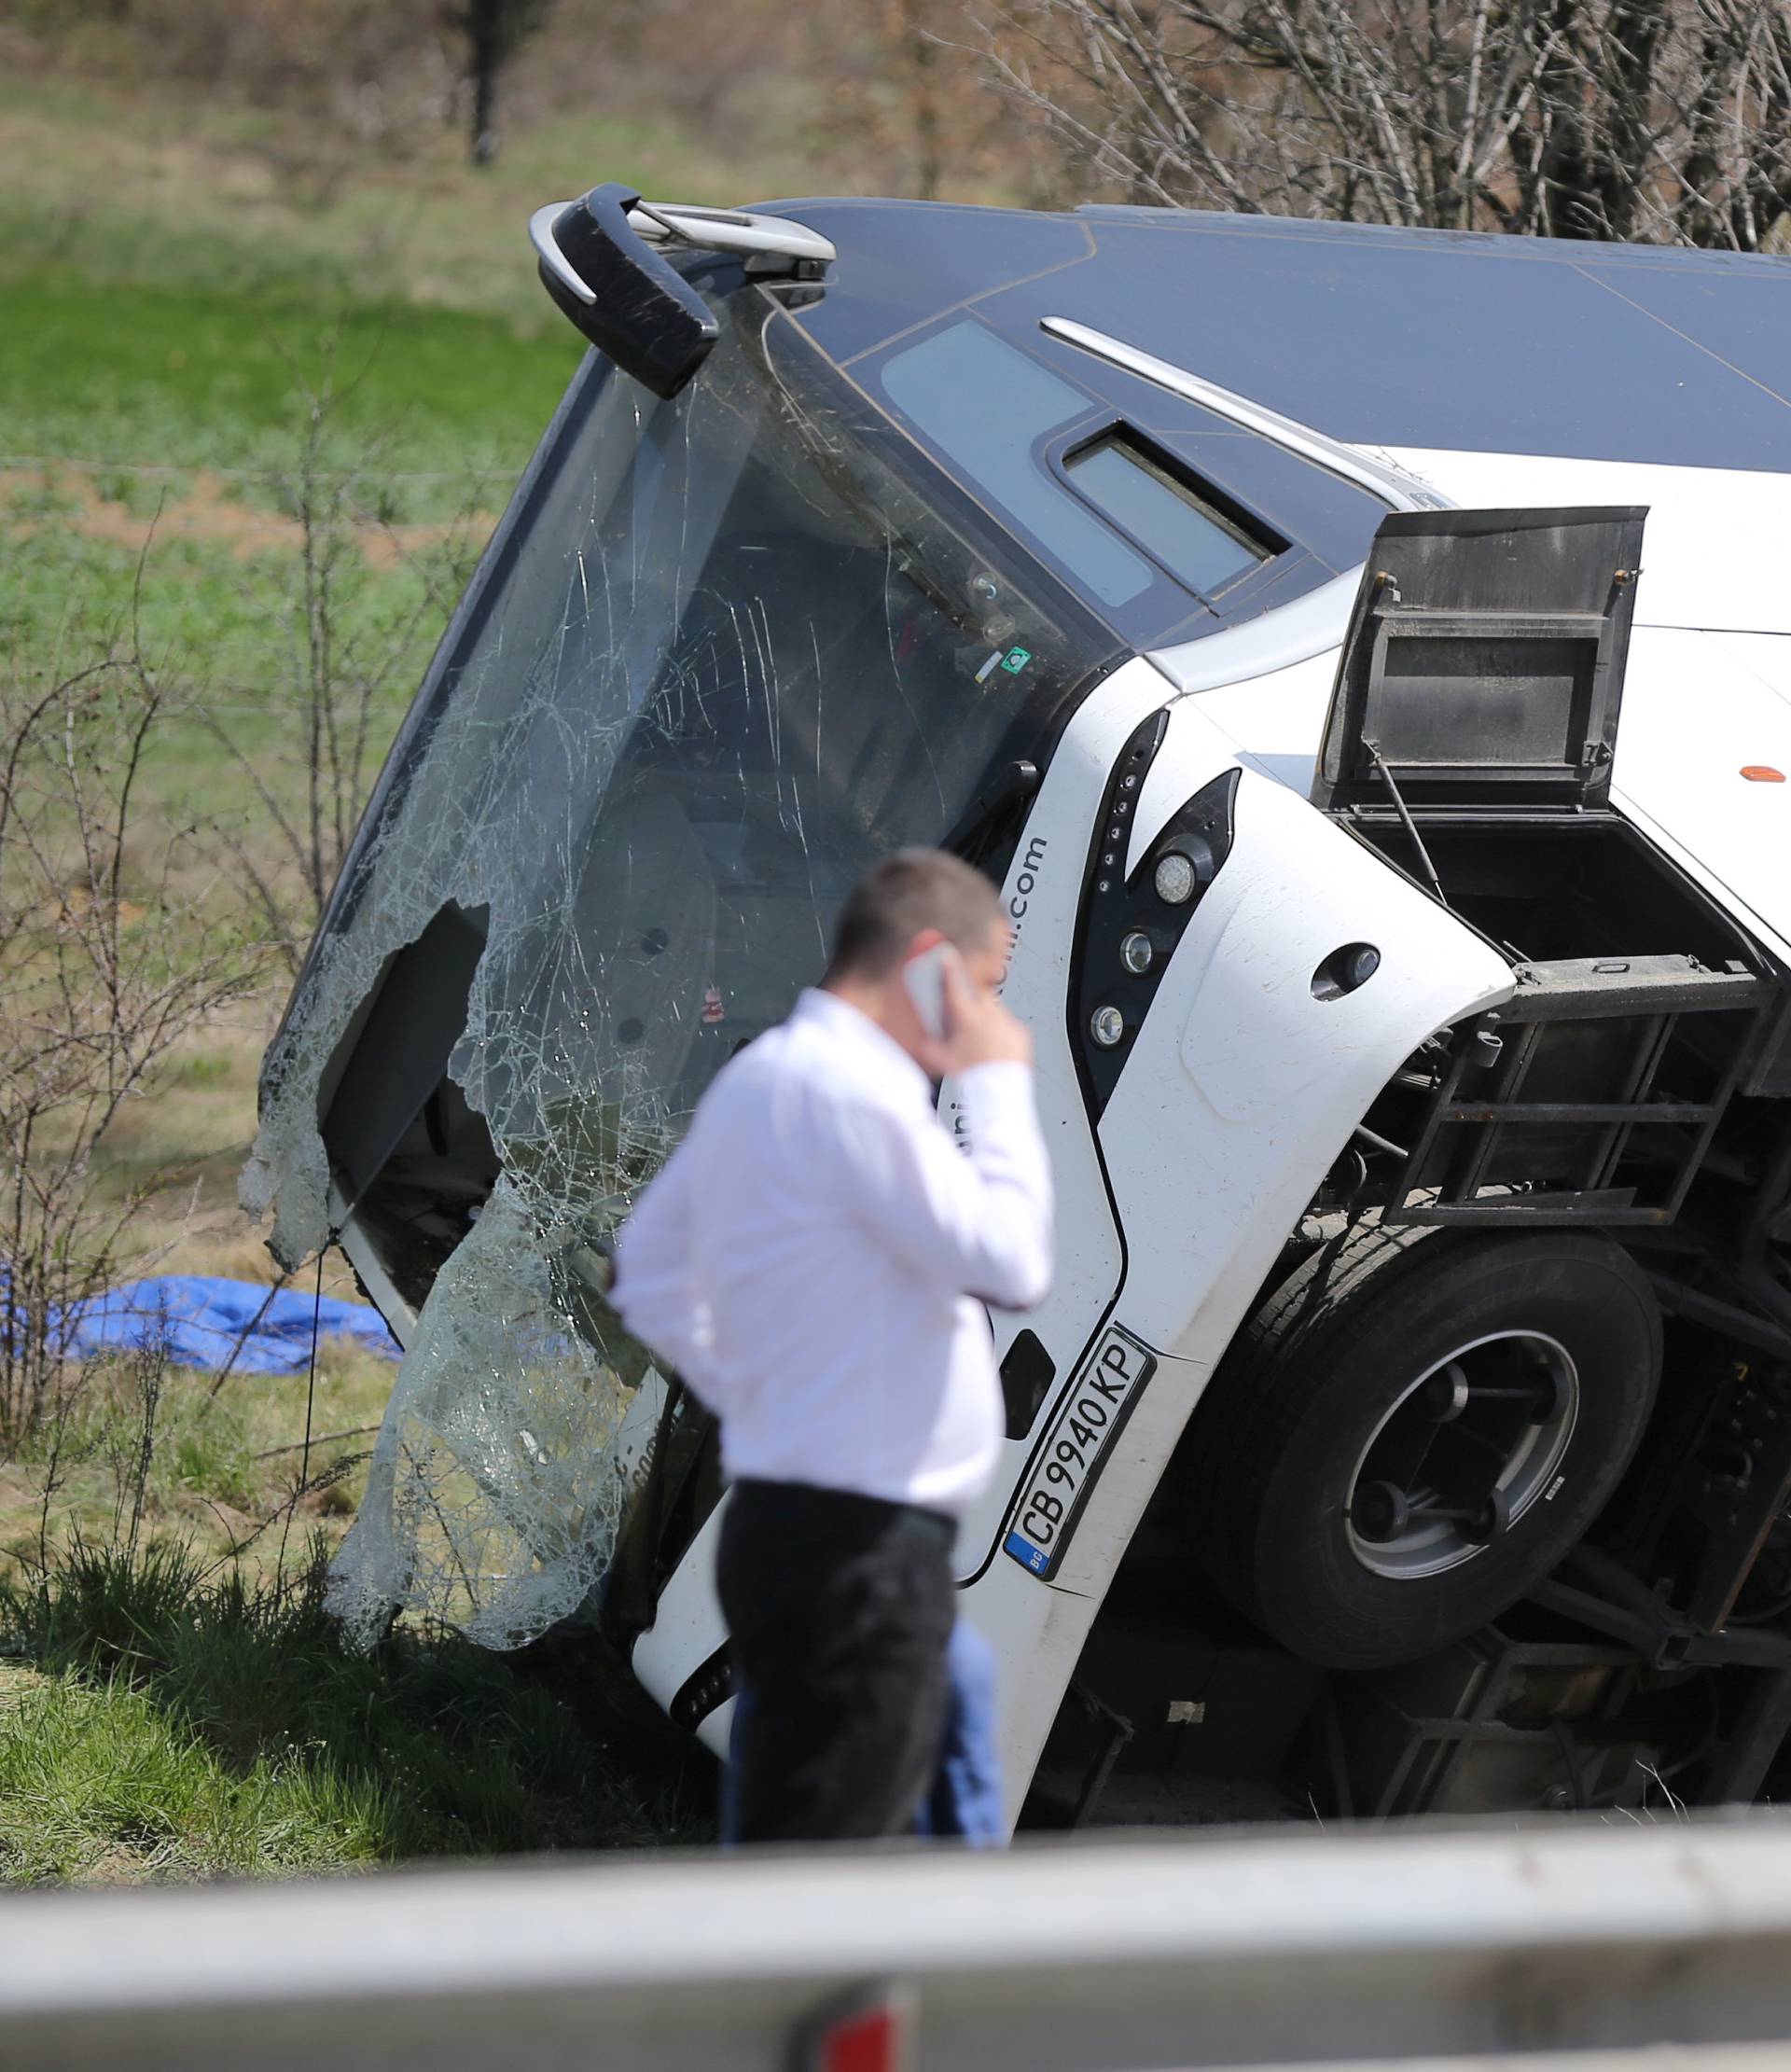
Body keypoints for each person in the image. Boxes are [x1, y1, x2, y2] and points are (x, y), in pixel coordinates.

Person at [613, 847, 1054, 1843]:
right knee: (818, 1866)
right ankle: (814, 1993)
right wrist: (996, 1086)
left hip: (806, 1531)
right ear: (934, 966)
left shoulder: (768, 1073)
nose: (988, 1017)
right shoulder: (853, 1098)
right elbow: (1014, 1261)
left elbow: (644, 1269)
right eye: (982, 990)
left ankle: (925, 1976)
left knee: (957, 1734)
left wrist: (761, 1395)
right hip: (857, 1553)